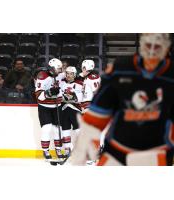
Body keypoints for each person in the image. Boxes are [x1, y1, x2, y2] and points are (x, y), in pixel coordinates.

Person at [72, 33, 174, 166]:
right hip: (116, 149)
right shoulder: (120, 68)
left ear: (166, 48)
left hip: (158, 151)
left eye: (158, 47)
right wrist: (90, 129)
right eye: (149, 45)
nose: (152, 50)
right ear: (142, 44)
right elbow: (102, 106)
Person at [34, 58, 64, 159]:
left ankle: (58, 149)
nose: (60, 71)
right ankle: (46, 151)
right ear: (52, 68)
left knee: (57, 129)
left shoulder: (60, 75)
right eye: (58, 69)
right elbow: (38, 96)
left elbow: (70, 76)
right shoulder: (42, 76)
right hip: (44, 107)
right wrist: (49, 93)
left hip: (57, 106)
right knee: (46, 129)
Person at [60, 66, 83, 157]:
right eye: (67, 73)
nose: (69, 75)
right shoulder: (61, 83)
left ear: (75, 75)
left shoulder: (79, 84)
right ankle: (67, 149)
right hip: (64, 109)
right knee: (65, 130)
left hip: (75, 110)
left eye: (71, 74)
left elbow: (78, 99)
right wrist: (67, 97)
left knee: (78, 130)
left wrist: (66, 97)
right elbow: (59, 97)